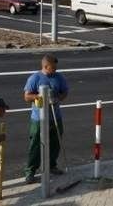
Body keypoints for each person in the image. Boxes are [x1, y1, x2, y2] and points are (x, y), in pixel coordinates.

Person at [24, 54, 69, 184]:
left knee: (56, 142)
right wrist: (39, 97)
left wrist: (58, 98)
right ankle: (30, 171)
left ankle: (52, 166)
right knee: (36, 145)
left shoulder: (59, 77)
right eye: (52, 68)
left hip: (55, 116)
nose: (55, 70)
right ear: (45, 66)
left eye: (56, 68)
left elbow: (65, 91)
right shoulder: (35, 78)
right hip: (39, 119)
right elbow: (27, 97)